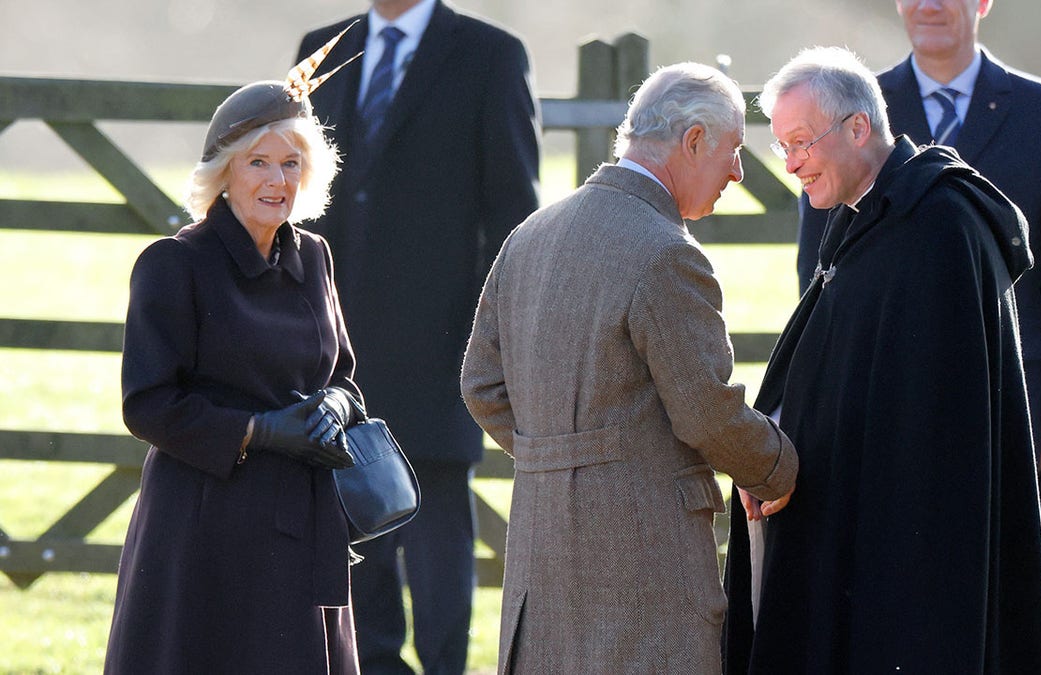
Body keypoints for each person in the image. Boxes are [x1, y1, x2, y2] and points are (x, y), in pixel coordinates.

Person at [722, 47, 1041, 672]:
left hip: (913, 542)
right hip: (856, 516)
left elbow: (934, 419)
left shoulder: (938, 224)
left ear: (858, 127)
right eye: (782, 147)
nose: (791, 163)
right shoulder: (866, 214)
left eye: (801, 143)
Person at [461, 62, 799, 673]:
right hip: (647, 566)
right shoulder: (667, 254)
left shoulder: (529, 236)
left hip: (541, 558)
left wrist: (563, 459)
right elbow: (708, 415)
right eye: (734, 150)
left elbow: (482, 387)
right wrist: (780, 470)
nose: (738, 173)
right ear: (693, 141)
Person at [296, 1, 540, 672]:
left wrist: (495, 340)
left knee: (435, 530)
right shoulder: (321, 49)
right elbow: (297, 189)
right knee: (353, 514)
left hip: (445, 343)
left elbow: (514, 212)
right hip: (337, 343)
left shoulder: (489, 54)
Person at [796, 0, 1041, 540]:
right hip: (886, 404)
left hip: (1011, 401)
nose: (928, 5)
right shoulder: (848, 110)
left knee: (1004, 593)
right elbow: (817, 281)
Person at [105, 56, 367, 674]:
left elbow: (343, 374)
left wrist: (334, 404)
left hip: (301, 520)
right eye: (259, 162)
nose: (278, 180)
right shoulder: (174, 263)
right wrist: (258, 431)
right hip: (203, 524)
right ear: (224, 173)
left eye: (291, 163)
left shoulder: (313, 256)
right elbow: (147, 403)